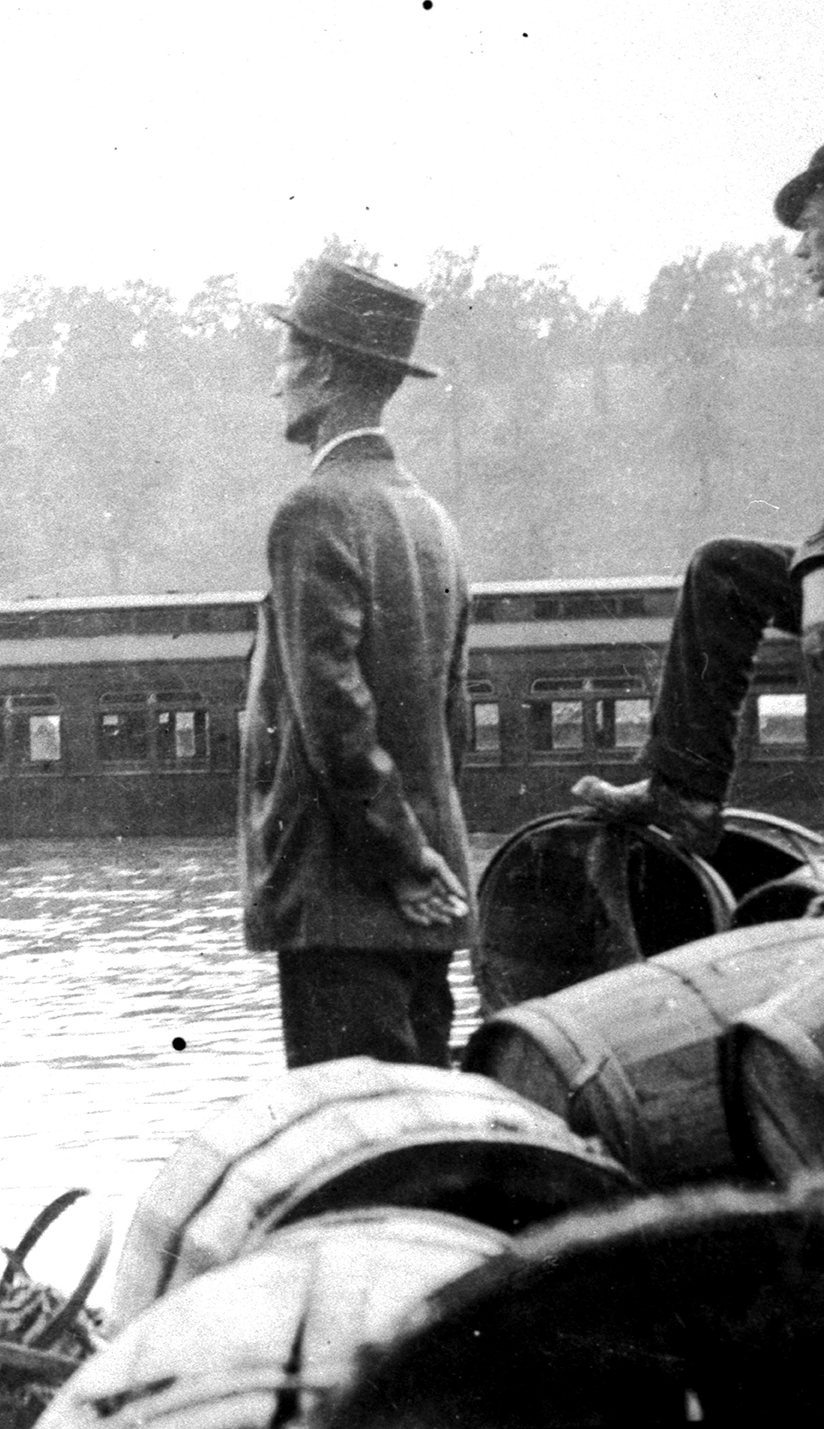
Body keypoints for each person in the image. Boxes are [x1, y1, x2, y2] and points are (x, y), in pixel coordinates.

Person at [577, 134, 824, 852]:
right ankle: (684, 793)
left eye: (808, 229)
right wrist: (819, 569)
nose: (797, 254)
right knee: (724, 570)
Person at [240, 259, 475, 1069]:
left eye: (284, 357)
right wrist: (425, 861)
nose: (275, 384)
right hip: (431, 897)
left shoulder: (315, 511)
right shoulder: (429, 517)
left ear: (325, 367)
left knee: (360, 1146)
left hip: (347, 896)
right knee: (426, 1123)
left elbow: (334, 715)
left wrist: (399, 861)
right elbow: (450, 717)